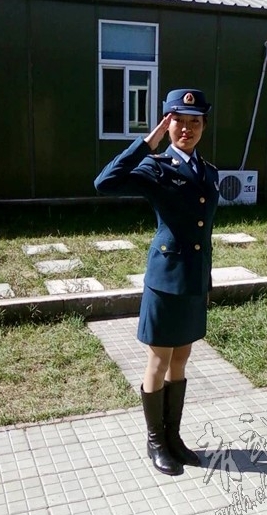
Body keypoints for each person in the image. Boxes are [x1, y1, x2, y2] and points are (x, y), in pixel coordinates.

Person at [94, 89, 220, 476]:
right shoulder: (156, 167)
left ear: (203, 126)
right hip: (165, 281)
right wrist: (147, 143)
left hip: (193, 279)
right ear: (167, 124)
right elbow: (105, 182)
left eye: (195, 122)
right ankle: (155, 442)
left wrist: (206, 280)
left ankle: (174, 437)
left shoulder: (209, 171)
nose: (187, 129)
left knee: (181, 359)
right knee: (159, 359)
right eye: (178, 121)